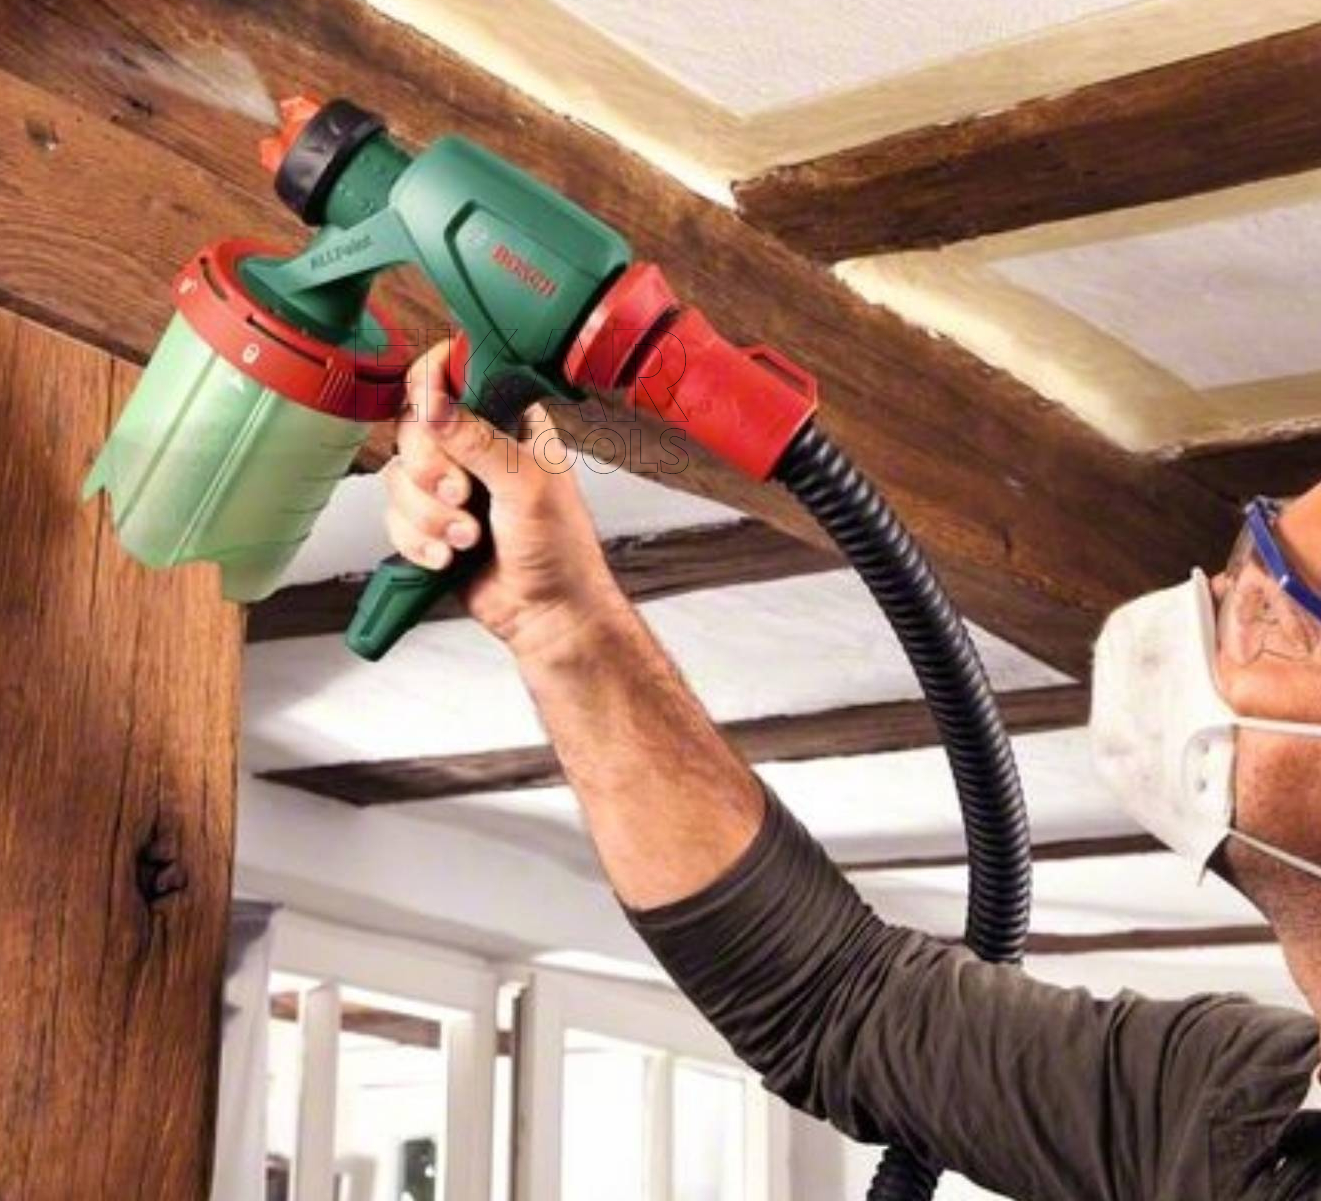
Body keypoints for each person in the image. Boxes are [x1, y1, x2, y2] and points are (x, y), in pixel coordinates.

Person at [379, 342, 1321, 1200]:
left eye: (1271, 614)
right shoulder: (1237, 1110)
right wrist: (561, 620)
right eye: (1244, 561)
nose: (1203, 607)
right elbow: (835, 1001)